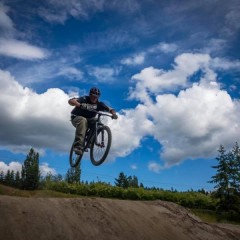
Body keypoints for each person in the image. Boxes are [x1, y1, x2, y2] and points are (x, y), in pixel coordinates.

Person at [68, 87, 118, 155]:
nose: (94, 98)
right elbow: (71, 101)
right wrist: (79, 105)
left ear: (98, 97)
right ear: (90, 95)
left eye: (96, 97)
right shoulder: (84, 99)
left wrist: (114, 114)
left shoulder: (100, 104)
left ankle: (89, 141)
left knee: (98, 123)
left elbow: (110, 109)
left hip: (89, 120)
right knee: (83, 120)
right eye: (92, 96)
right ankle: (78, 146)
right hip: (76, 118)